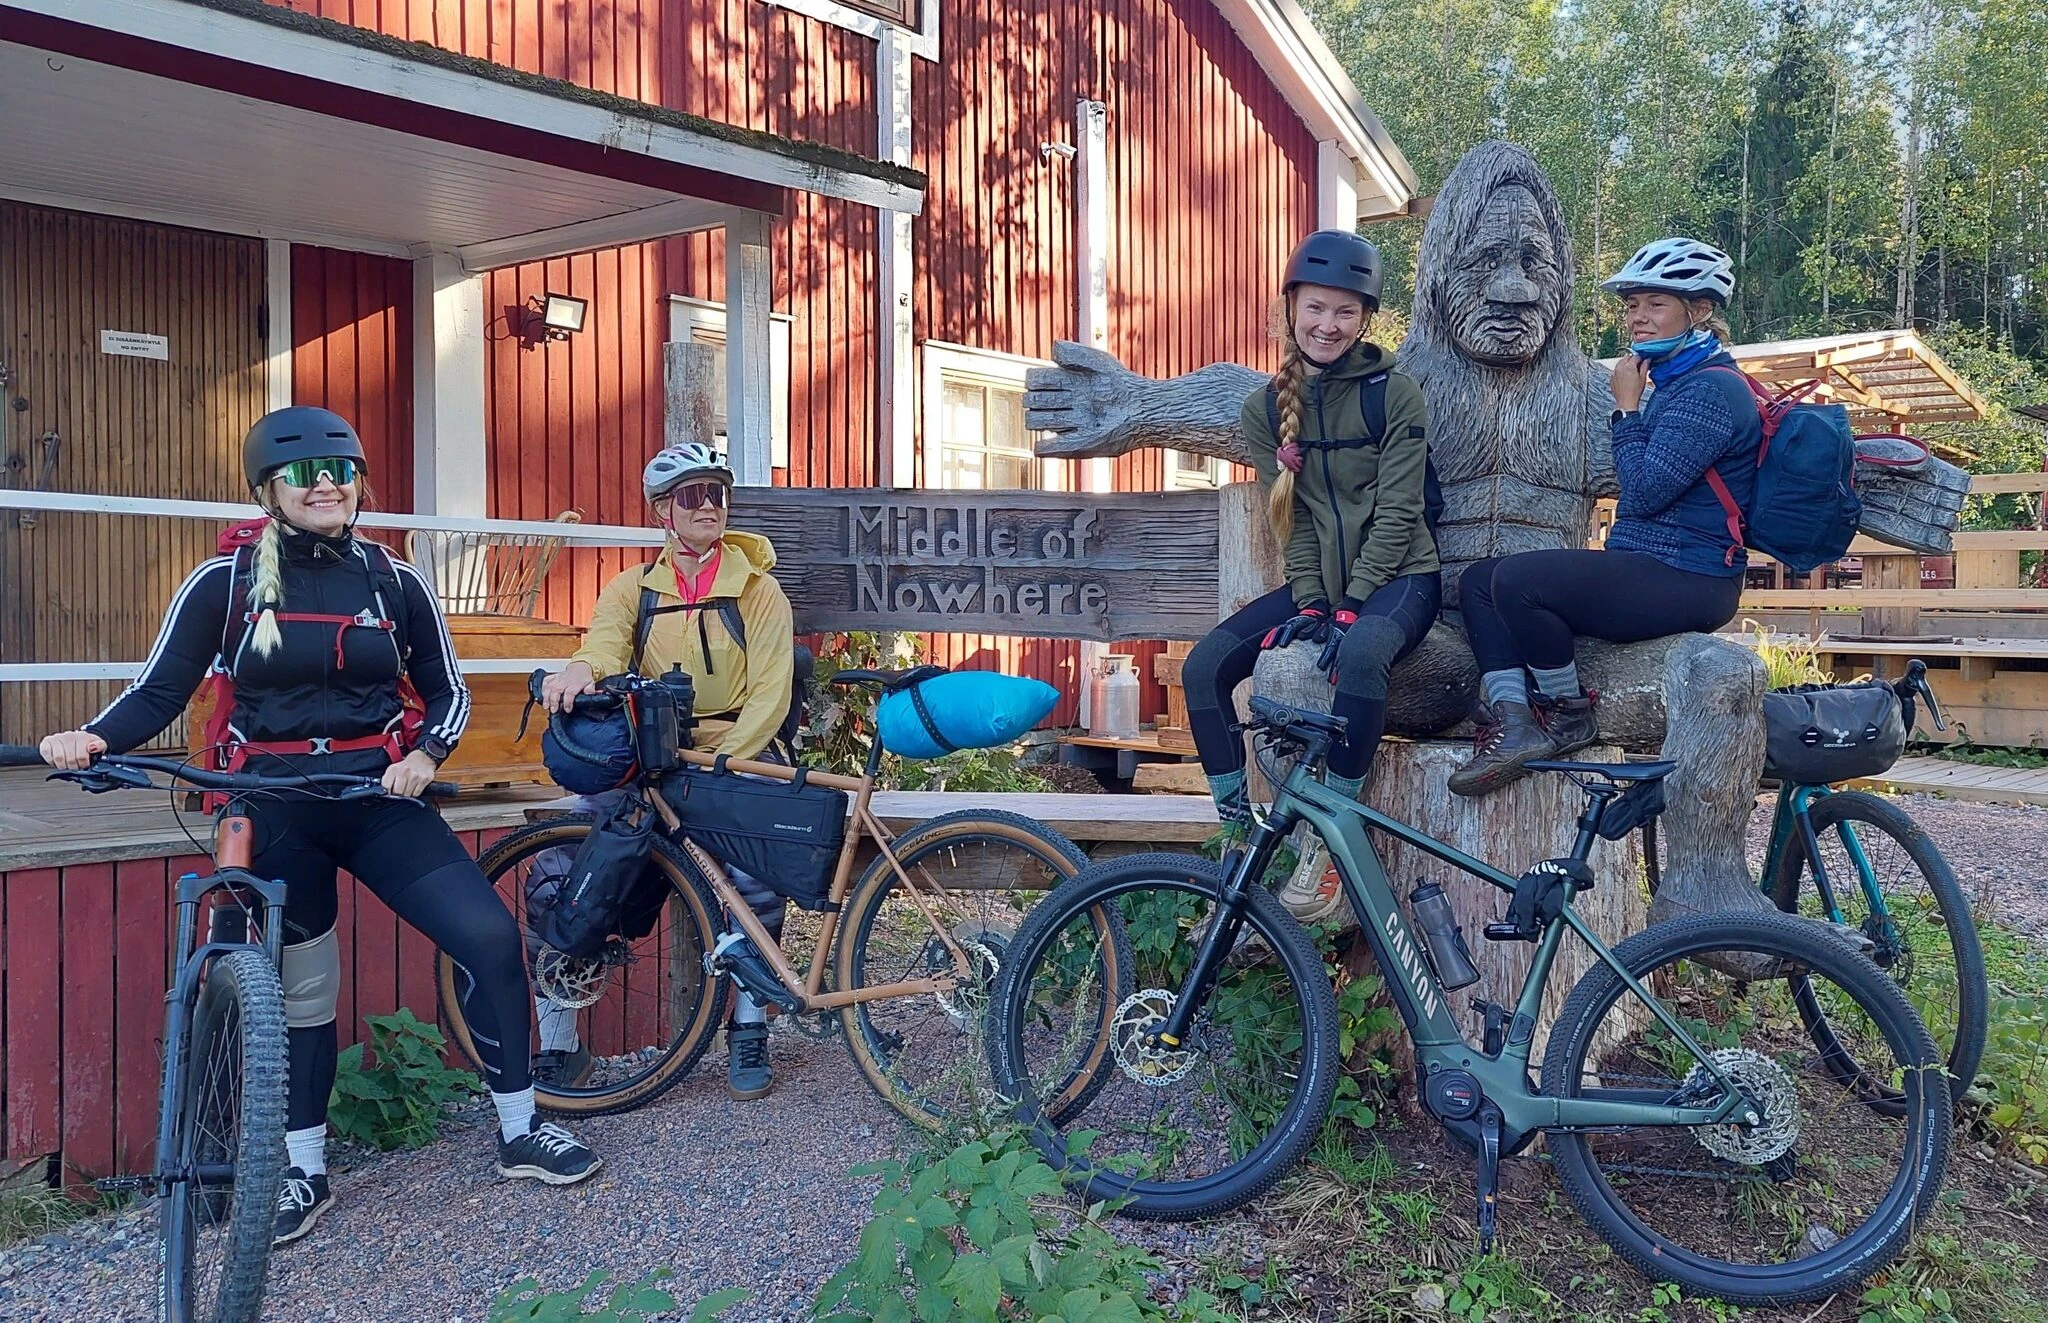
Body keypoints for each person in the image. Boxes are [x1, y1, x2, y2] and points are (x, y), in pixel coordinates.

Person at [36, 406, 601, 1248]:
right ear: (269, 491)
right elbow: (158, 690)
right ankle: (306, 1169)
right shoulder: (225, 581)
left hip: (377, 798)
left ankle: (521, 1127)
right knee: (304, 991)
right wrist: (91, 737)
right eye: (303, 475)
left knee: (487, 937)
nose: (325, 485)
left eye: (340, 471)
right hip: (274, 805)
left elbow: (447, 690)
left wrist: (427, 756)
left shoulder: (393, 579)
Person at [1181, 229, 1441, 918]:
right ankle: (1238, 835)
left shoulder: (1395, 394)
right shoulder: (1265, 411)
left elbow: (1400, 511)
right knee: (1204, 667)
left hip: (1401, 578)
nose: (1328, 325)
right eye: (1316, 308)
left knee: (1360, 654)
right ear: (1290, 307)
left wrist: (1351, 605)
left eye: (1346, 312)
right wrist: (1310, 601)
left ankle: (1330, 838)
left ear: (1366, 319)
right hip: (1320, 586)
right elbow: (1288, 520)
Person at [1447, 237, 1758, 797]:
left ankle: (1569, 713)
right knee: (1478, 581)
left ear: (1700, 311)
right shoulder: (1679, 382)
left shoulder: (1710, 391)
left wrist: (1625, 409)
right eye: (1633, 304)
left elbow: (1643, 491)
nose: (1638, 317)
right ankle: (1516, 721)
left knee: (1518, 581)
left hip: (1693, 576)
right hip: (1653, 564)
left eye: (1656, 304)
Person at [537, 441, 795, 1099]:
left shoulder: (758, 590)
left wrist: (727, 761)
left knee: (757, 878)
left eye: (717, 494)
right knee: (564, 869)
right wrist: (580, 668)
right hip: (651, 758)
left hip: (737, 750)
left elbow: (771, 691)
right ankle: (558, 1041)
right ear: (663, 511)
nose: (709, 506)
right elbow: (604, 642)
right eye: (692, 495)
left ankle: (748, 1026)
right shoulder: (634, 588)